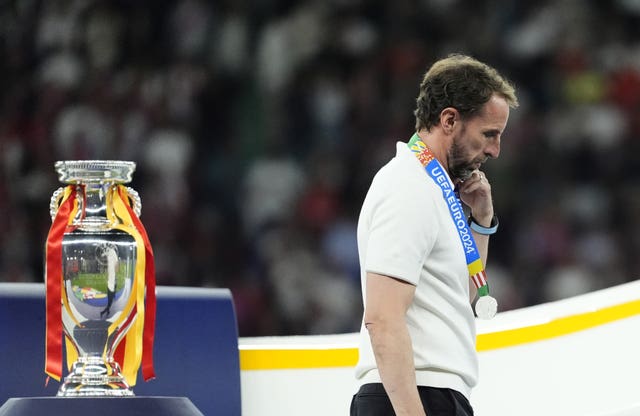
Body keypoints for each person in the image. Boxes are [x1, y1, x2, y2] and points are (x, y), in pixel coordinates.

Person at [350, 54, 518, 416]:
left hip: (436, 393)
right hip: (411, 396)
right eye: (489, 134)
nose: (494, 150)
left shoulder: (435, 189)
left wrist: (482, 222)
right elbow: (382, 318)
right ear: (449, 120)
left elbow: (464, 295)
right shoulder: (407, 186)